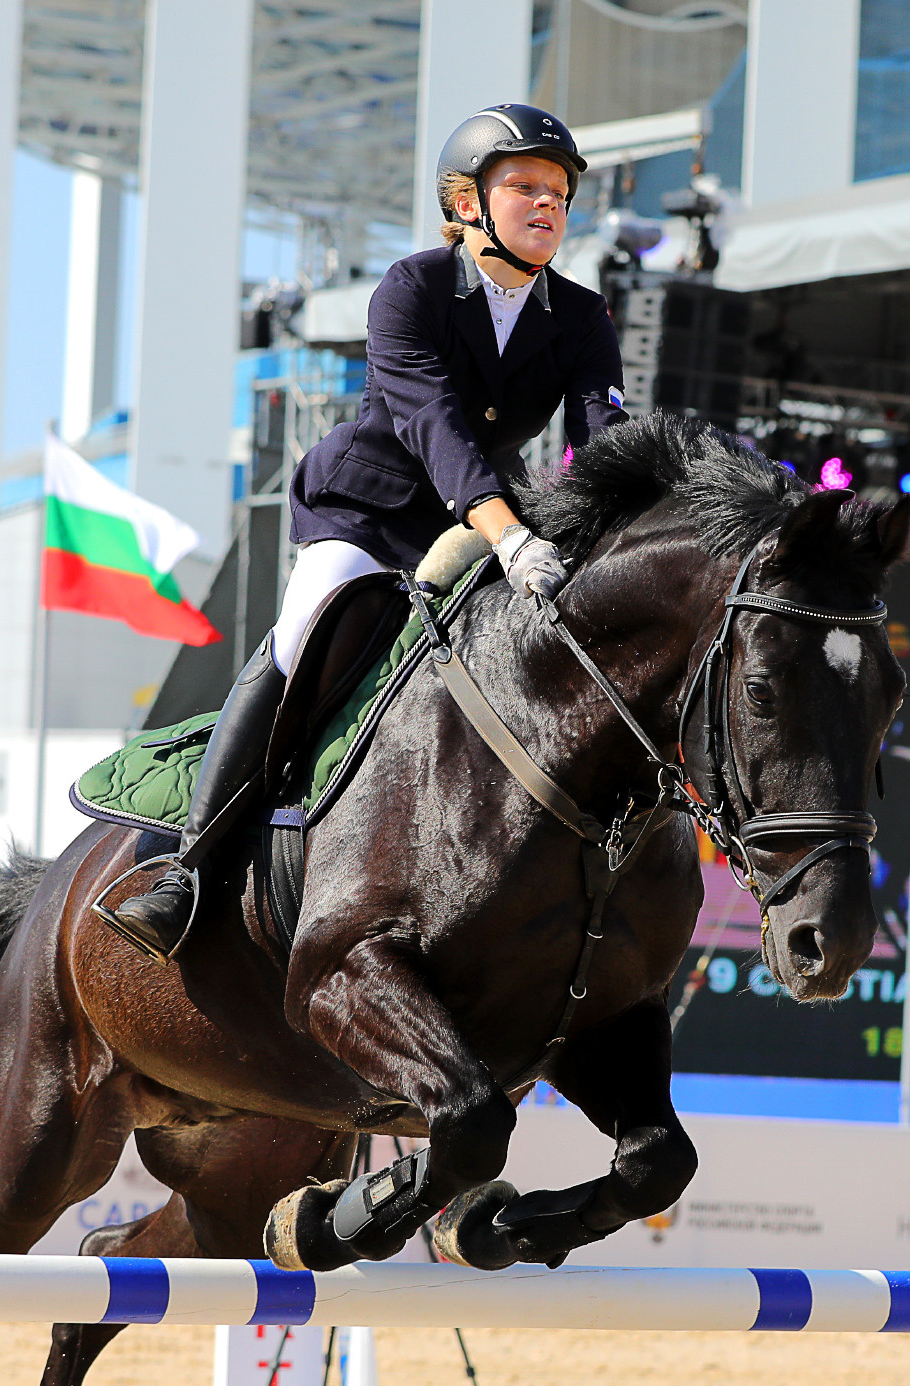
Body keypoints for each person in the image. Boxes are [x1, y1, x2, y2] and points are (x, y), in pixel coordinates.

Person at [101, 103, 629, 961]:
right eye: (525, 186)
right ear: (465, 203)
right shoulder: (411, 287)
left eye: (561, 194)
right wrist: (507, 534)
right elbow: (434, 424)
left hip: (491, 520)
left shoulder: (581, 316)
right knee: (303, 631)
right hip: (372, 509)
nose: (548, 206)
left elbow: (601, 436)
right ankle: (190, 870)